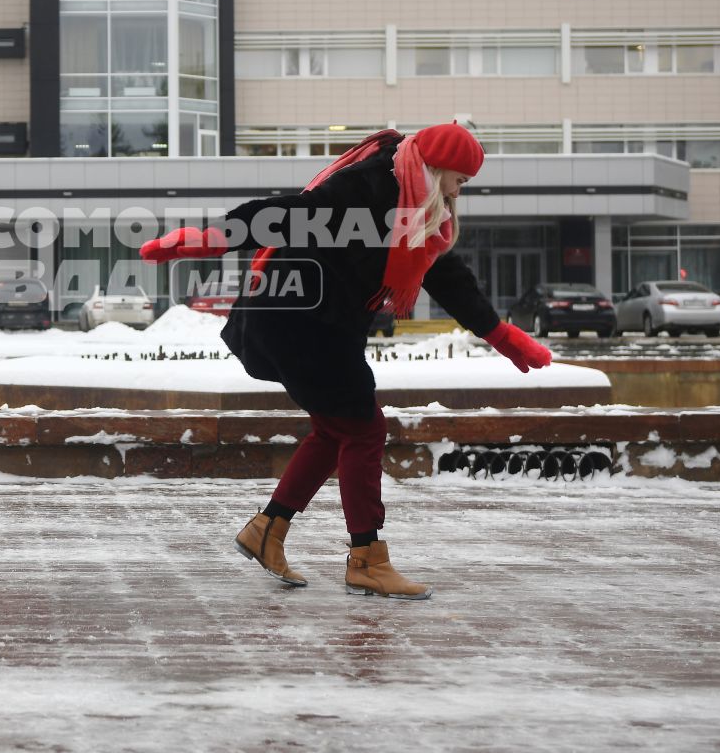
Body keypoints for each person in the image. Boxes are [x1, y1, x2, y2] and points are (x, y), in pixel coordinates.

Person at [141, 123, 552, 599]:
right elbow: (297, 213)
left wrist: (498, 334)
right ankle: (367, 560)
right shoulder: (371, 184)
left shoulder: (416, 207)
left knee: (336, 430)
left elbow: (446, 276)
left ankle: (267, 530)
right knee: (363, 429)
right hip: (298, 323)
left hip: (323, 327)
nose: (462, 190)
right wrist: (216, 236)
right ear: (438, 168)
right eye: (460, 178)